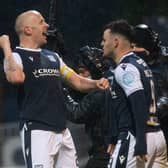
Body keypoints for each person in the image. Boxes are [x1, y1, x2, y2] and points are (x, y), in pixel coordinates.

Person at [0, 10, 109, 168]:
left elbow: (76, 81)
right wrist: (5, 46)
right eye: (41, 22)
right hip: (38, 131)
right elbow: (16, 78)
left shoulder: (53, 57)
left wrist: (96, 83)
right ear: (28, 30)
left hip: (62, 131)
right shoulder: (16, 56)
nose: (47, 25)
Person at [101, 19, 167, 168]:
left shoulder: (125, 68)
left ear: (116, 42)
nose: (102, 44)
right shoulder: (141, 63)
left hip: (137, 135)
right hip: (157, 134)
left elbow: (138, 104)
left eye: (104, 40)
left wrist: (141, 143)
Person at [132, 24, 168, 162]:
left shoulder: (164, 61)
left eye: (136, 46)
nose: (134, 50)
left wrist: (153, 110)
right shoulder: (132, 62)